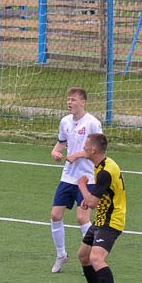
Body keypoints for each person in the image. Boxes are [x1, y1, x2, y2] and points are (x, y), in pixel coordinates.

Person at [49, 87, 103, 273]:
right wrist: (56, 151)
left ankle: (90, 257)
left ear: (83, 102)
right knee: (55, 215)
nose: (69, 102)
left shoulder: (93, 123)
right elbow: (62, 142)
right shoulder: (65, 121)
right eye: (68, 99)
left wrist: (78, 155)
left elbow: (99, 150)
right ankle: (61, 255)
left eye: (73, 99)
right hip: (68, 176)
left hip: (87, 178)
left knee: (82, 218)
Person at [74, 133, 126, 283]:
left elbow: (94, 201)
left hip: (111, 220)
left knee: (96, 258)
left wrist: (81, 186)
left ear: (94, 149)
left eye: (86, 145)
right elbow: (101, 195)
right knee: (83, 256)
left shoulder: (105, 171)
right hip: (102, 218)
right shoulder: (103, 164)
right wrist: (88, 200)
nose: (84, 148)